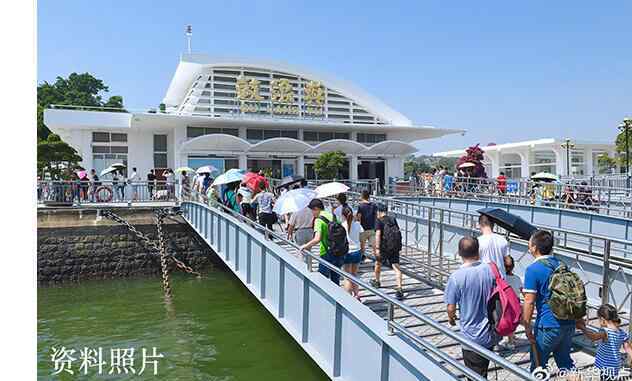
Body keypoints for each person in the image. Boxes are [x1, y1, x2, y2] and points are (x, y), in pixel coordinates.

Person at [522, 230, 577, 373]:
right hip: (569, 323)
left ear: (534, 247)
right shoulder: (562, 265)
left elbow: (529, 301)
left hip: (547, 325)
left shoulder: (533, 269)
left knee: (538, 366)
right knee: (566, 362)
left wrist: (527, 326)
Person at [444, 236, 496, 377]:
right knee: (482, 370)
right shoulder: (490, 270)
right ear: (477, 251)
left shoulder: (456, 277)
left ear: (459, 253)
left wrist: (451, 319)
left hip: (471, 337)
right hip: (489, 333)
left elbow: (451, 308)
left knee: (474, 375)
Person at [577, 304, 632, 380]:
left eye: (598, 319)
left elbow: (593, 337)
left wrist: (583, 328)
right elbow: (628, 348)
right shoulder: (622, 333)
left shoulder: (606, 332)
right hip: (615, 364)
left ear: (603, 320)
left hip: (606, 365)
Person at [300, 198, 344, 285]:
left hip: (326, 252)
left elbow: (317, 239)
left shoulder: (319, 220)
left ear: (316, 208)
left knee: (322, 281)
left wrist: (305, 246)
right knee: (335, 281)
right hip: (338, 251)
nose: (312, 213)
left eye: (312, 211)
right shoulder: (333, 216)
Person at [370, 203, 404, 300]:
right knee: (396, 267)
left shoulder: (378, 221)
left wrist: (377, 248)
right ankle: (399, 288)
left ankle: (377, 281)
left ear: (379, 212)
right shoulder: (393, 219)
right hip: (394, 246)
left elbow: (377, 234)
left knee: (378, 263)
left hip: (384, 247)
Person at [477, 214, 510, 278]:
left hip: (484, 278)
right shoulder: (502, 239)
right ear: (493, 225)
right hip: (501, 280)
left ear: (480, 225)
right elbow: (508, 262)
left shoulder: (478, 241)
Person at [342, 206, 363, 299]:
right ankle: (356, 294)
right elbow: (362, 239)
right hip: (357, 251)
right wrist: (362, 250)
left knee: (347, 277)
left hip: (347, 252)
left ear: (343, 215)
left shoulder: (342, 225)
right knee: (354, 274)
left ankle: (348, 298)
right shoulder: (358, 224)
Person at [503, 255, 523, 349]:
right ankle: (512, 337)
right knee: (514, 322)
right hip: (516, 302)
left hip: (506, 303)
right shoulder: (517, 278)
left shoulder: (503, 279)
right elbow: (522, 290)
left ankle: (511, 343)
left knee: (508, 322)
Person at [356, 190, 377, 261]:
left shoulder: (360, 206)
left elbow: (359, 217)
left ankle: (361, 258)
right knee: (374, 246)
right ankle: (377, 259)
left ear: (362, 196)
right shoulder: (374, 205)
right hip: (372, 228)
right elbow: (376, 216)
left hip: (363, 228)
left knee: (362, 245)